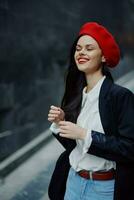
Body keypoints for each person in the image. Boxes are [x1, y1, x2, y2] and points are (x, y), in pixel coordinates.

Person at [47, 22, 134, 200]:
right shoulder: (77, 95)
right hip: (72, 182)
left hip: (103, 189)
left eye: (89, 48)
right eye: (78, 48)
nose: (81, 53)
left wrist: (85, 134)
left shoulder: (120, 96)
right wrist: (61, 124)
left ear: (103, 57)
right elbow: (76, 148)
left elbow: (129, 148)